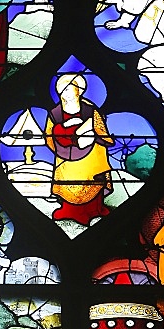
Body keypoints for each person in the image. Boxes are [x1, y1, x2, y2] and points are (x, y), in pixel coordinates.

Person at [45, 73, 114, 224]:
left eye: (69, 89)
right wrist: (63, 140)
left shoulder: (90, 110)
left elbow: (101, 131)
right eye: (63, 90)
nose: (66, 93)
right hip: (65, 156)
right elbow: (48, 137)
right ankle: (69, 211)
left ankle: (94, 210)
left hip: (90, 155)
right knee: (68, 181)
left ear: (79, 91)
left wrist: (92, 137)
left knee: (93, 178)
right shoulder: (55, 113)